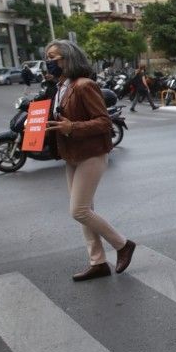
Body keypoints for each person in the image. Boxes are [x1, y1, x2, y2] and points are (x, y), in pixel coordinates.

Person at [44, 39, 135, 282]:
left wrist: (71, 126)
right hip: (71, 154)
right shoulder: (61, 86)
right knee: (86, 210)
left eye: (54, 57)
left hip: (91, 153)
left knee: (80, 211)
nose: (49, 62)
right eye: (48, 57)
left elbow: (104, 122)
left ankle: (123, 244)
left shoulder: (85, 86)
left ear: (68, 58)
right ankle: (98, 263)